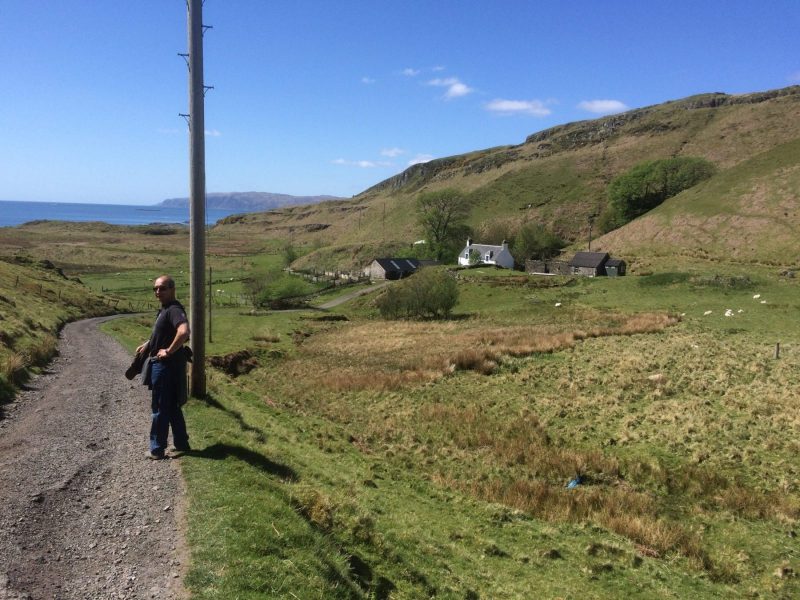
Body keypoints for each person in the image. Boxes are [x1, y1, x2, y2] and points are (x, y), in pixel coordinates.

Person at [136, 275, 191, 459]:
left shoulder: (174, 309)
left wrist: (168, 351)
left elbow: (184, 332)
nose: (158, 292)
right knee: (173, 406)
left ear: (172, 289)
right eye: (155, 289)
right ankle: (182, 444)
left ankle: (157, 449)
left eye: (162, 288)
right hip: (170, 366)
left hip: (166, 366)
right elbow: (162, 333)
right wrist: (148, 344)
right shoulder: (165, 310)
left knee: (159, 407)